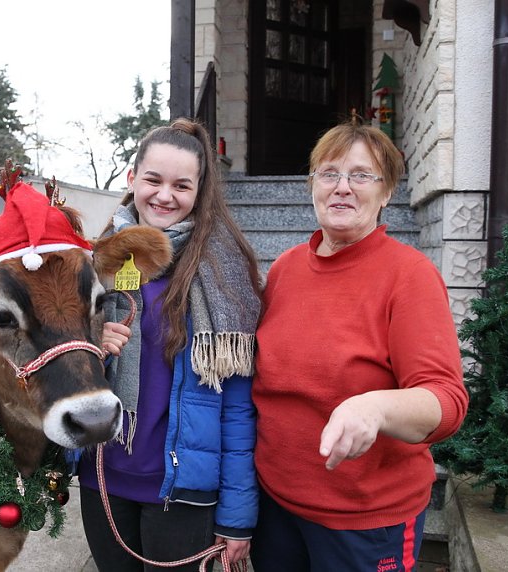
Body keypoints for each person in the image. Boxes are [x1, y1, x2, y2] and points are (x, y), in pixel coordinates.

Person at [250, 120, 469, 571]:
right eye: (329, 173)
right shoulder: (285, 270)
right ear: (312, 185)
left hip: (364, 522)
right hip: (275, 505)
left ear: (386, 192)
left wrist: (375, 408)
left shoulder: (408, 275)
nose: (342, 188)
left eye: (361, 175)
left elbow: (446, 400)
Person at [76, 118, 263, 571]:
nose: (164, 196)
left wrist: (238, 515)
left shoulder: (223, 273)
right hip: (102, 478)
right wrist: (89, 346)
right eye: (153, 180)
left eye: (182, 185)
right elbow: (53, 365)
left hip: (183, 491)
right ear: (131, 179)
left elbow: (238, 406)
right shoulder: (92, 262)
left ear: (199, 192)